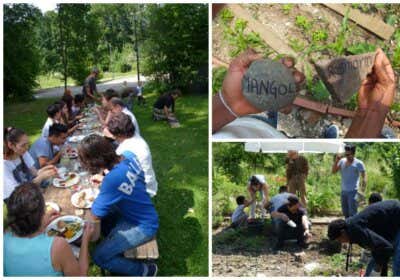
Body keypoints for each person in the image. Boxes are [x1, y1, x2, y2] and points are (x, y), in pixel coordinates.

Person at [212, 48, 396, 139]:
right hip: (259, 130)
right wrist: (371, 112)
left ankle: (325, 135)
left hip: (245, 123)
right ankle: (327, 136)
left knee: (271, 120)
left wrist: (230, 104)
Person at [78, 134, 158, 276]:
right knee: (107, 220)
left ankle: (145, 271)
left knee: (99, 256)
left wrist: (106, 183)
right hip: (141, 213)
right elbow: (124, 180)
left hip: (143, 226)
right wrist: (105, 180)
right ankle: (115, 245)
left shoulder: (112, 180)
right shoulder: (129, 156)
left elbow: (95, 214)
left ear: (94, 161)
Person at [4, 183, 94, 276]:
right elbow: (81, 275)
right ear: (41, 213)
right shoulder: (58, 245)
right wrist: (85, 239)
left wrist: (41, 222)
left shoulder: (5, 236)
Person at [328, 200, 400, 276]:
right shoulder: (351, 230)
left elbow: (386, 248)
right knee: (374, 265)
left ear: (343, 232)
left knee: (398, 263)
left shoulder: (356, 229)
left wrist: (377, 270)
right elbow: (377, 248)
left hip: (397, 215)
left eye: (339, 240)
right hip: (390, 224)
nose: (341, 242)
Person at [106, 113, 158, 197]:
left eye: (115, 135)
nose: (114, 137)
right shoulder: (134, 136)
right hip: (146, 181)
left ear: (119, 135)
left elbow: (118, 175)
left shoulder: (123, 150)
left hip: (142, 189)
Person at [3, 127, 57, 200]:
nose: (27, 148)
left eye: (27, 144)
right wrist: (41, 177)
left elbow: (35, 172)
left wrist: (47, 169)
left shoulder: (23, 153)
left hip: (29, 193)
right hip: (18, 201)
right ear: (11, 145)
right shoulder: (4, 165)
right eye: (23, 145)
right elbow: (19, 193)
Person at [332, 144, 367, 218]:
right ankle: (347, 228)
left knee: (353, 213)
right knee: (345, 212)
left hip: (353, 191)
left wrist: (361, 192)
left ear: (353, 154)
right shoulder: (342, 161)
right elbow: (333, 171)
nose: (347, 156)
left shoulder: (359, 163)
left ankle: (353, 228)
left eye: (348, 154)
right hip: (343, 191)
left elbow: (364, 177)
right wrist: (336, 161)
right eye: (346, 154)